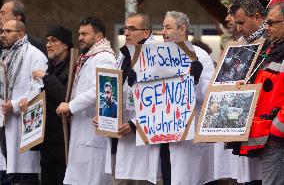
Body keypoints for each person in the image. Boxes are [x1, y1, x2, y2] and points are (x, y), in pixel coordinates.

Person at [154, 11, 215, 185]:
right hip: (164, 133)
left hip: (188, 136)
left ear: (182, 28)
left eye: (168, 27)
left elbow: (208, 95)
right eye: (163, 28)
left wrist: (194, 81)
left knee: (187, 179)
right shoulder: (159, 56)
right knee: (168, 178)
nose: (163, 32)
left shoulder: (200, 55)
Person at [98, 13, 157, 185]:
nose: (127, 33)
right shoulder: (123, 55)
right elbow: (116, 92)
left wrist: (135, 124)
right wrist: (103, 112)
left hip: (141, 136)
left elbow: (161, 99)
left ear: (146, 33)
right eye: (125, 28)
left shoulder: (156, 57)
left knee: (140, 179)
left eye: (132, 29)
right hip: (118, 133)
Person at [56, 17, 116, 185]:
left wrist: (71, 106)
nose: (80, 37)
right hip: (81, 133)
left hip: (92, 137)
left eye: (84, 34)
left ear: (98, 36)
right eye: (79, 34)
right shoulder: (89, 57)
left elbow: (102, 90)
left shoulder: (105, 58)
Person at [236, 2, 284, 185]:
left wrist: (276, 130)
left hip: (276, 138)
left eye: (271, 23)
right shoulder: (273, 49)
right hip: (267, 137)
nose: (267, 28)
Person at [0, 20, 47, 184]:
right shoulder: (5, 56)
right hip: (6, 121)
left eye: (8, 31)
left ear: (20, 34)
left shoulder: (35, 55)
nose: (3, 34)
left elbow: (38, 87)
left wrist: (13, 104)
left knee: (27, 174)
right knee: (12, 173)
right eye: (2, 31)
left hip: (26, 122)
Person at [31, 25, 73, 185]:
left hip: (63, 141)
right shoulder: (50, 66)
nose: (48, 44)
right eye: (47, 41)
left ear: (65, 45)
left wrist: (46, 77)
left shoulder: (72, 68)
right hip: (47, 141)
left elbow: (65, 96)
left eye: (53, 40)